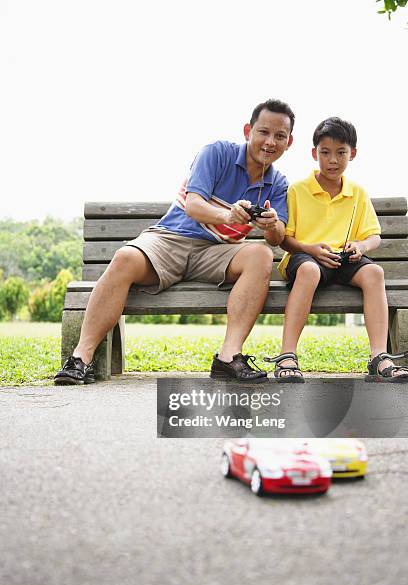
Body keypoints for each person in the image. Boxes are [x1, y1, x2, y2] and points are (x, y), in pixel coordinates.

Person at [54, 99, 295, 385]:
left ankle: (228, 358)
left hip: (217, 253)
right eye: (263, 132)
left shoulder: (278, 183)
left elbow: (277, 236)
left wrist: (271, 225)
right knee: (124, 258)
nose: (270, 142)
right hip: (170, 239)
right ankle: (81, 358)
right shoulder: (216, 153)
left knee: (261, 255)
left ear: (288, 142)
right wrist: (229, 215)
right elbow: (193, 205)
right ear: (248, 130)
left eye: (279, 136)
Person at [266, 116, 408, 383]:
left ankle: (379, 356)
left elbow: (372, 236)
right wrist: (311, 249)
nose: (333, 160)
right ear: (314, 153)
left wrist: (361, 245)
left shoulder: (357, 193)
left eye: (341, 152)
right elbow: (285, 239)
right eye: (325, 153)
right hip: (306, 256)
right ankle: (287, 355)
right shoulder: (297, 190)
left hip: (343, 259)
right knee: (308, 269)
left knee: (374, 273)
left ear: (352, 154)